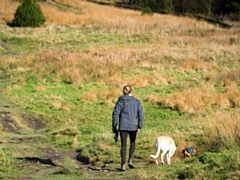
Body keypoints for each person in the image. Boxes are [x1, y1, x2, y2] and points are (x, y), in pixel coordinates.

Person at [112, 85, 144, 171]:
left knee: (123, 145)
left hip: (122, 126)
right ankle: (130, 160)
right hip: (133, 125)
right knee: (132, 143)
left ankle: (123, 164)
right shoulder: (137, 102)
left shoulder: (120, 101)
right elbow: (140, 114)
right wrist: (139, 126)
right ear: (131, 92)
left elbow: (115, 114)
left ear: (123, 92)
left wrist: (114, 126)